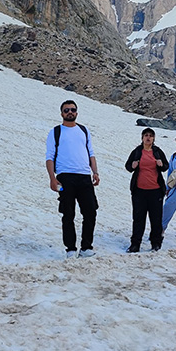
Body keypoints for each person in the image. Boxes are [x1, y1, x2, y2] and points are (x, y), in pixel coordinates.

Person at [45, 100, 100, 258]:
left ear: (77, 112)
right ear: (61, 113)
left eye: (73, 110)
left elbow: (91, 153)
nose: (70, 112)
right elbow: (49, 157)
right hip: (64, 178)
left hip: (84, 177)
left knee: (90, 211)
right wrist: (52, 178)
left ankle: (86, 247)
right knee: (68, 213)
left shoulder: (83, 130)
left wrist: (95, 172)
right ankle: (70, 249)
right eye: (66, 110)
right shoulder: (55, 132)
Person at [124, 128, 169, 252]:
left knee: (156, 218)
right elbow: (128, 166)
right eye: (146, 135)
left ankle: (156, 243)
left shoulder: (157, 151)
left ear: (154, 138)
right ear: (142, 137)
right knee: (138, 218)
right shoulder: (137, 151)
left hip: (155, 191)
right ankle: (135, 244)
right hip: (139, 191)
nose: (148, 138)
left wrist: (161, 165)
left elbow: (166, 166)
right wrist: (132, 166)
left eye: (150, 136)